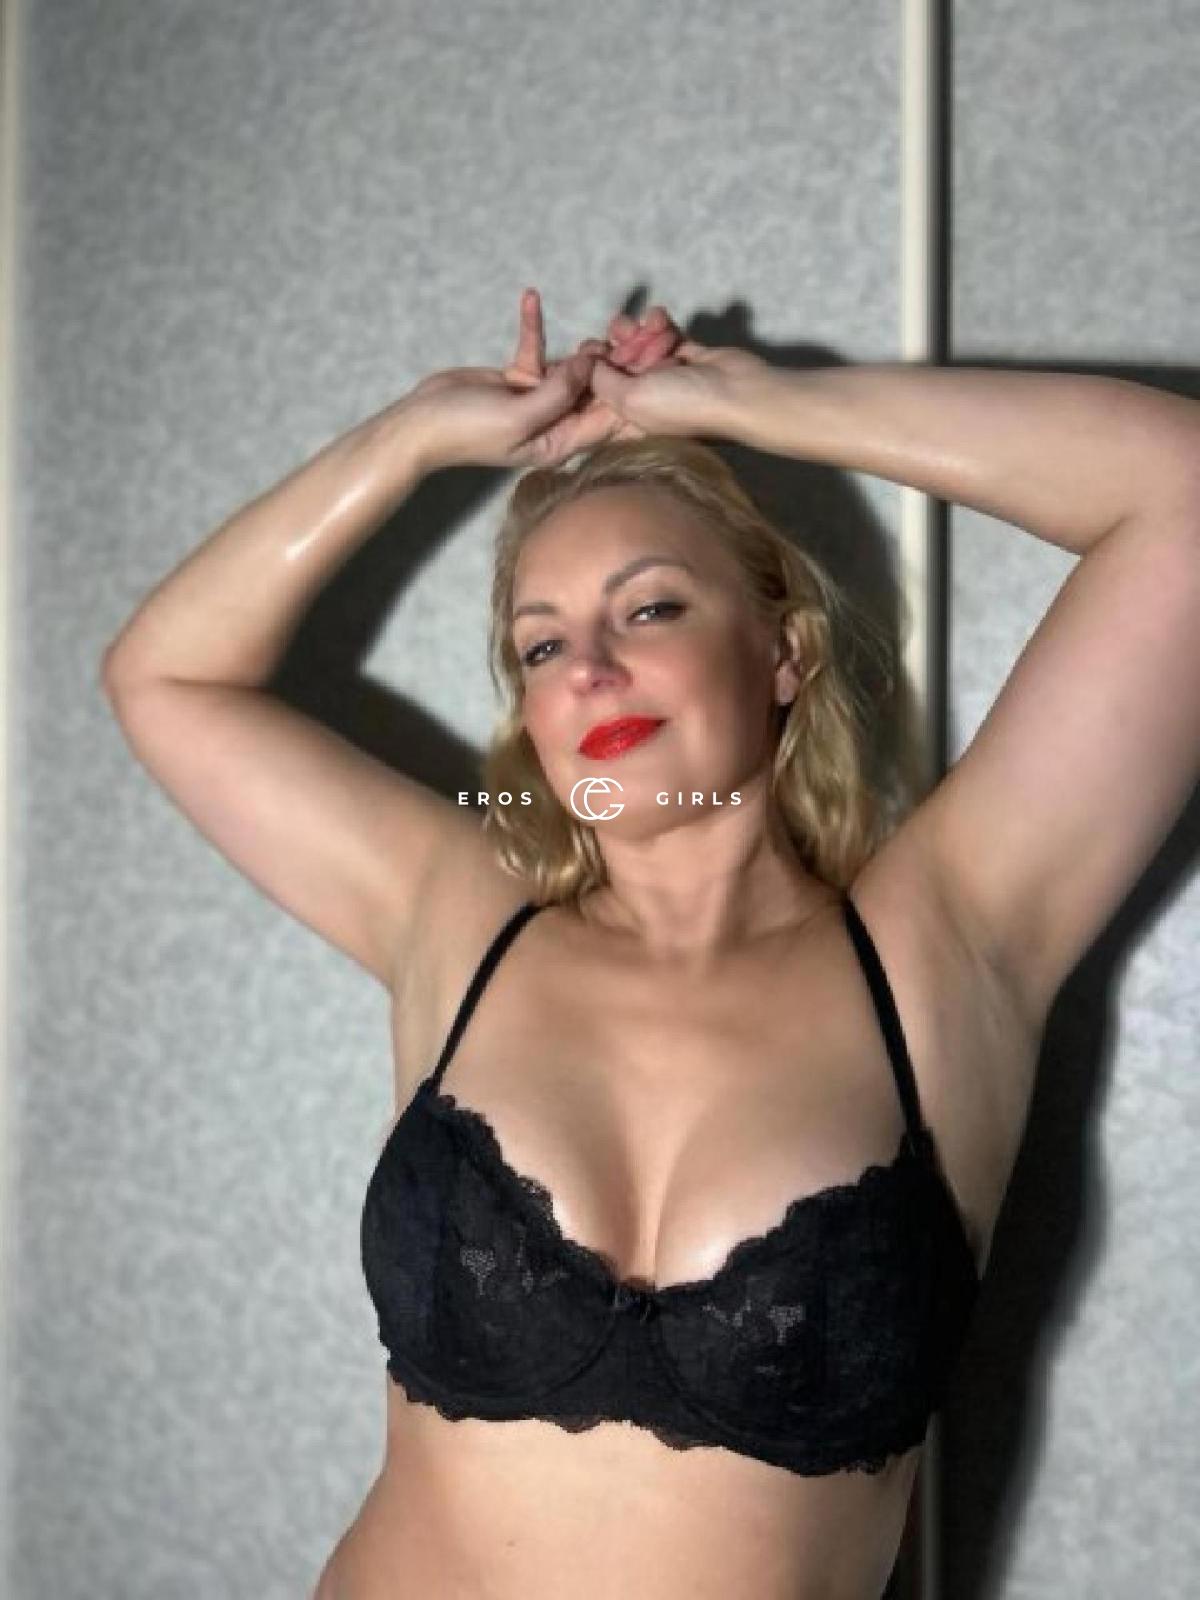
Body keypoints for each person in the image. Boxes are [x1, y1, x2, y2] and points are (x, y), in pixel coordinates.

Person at [101, 290, 1200, 1600]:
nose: (589, 670)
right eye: (542, 643)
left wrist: (756, 406)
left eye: (651, 610)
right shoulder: (465, 920)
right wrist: (411, 437)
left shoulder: (941, 950)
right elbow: (166, 677)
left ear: (784, 651)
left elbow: (1181, 499)